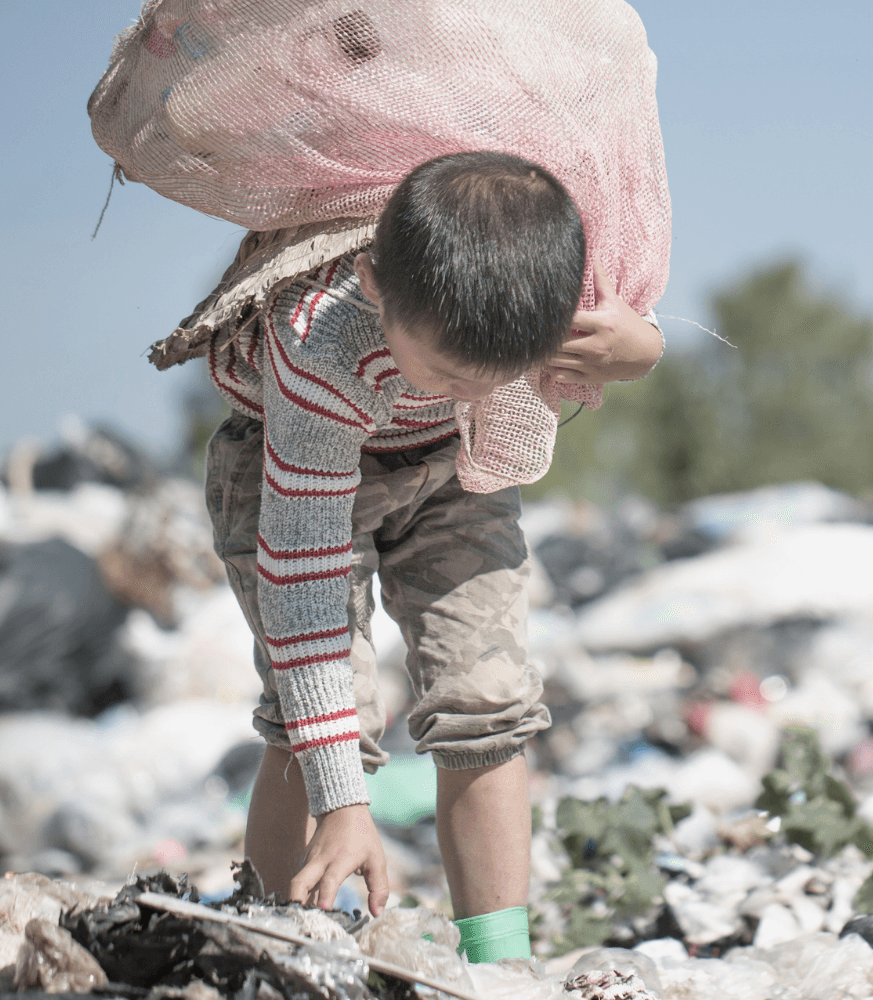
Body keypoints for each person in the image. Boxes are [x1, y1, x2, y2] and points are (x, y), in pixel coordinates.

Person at [202, 149, 662, 961]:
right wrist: (345, 804)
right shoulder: (320, 344)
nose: (470, 390)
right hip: (290, 462)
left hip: (458, 466)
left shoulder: (524, 299)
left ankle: (500, 962)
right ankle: (277, 946)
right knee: (315, 713)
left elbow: (624, 334)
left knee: (488, 703)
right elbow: (305, 593)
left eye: (497, 377)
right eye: (449, 371)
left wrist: (642, 348)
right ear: (378, 286)